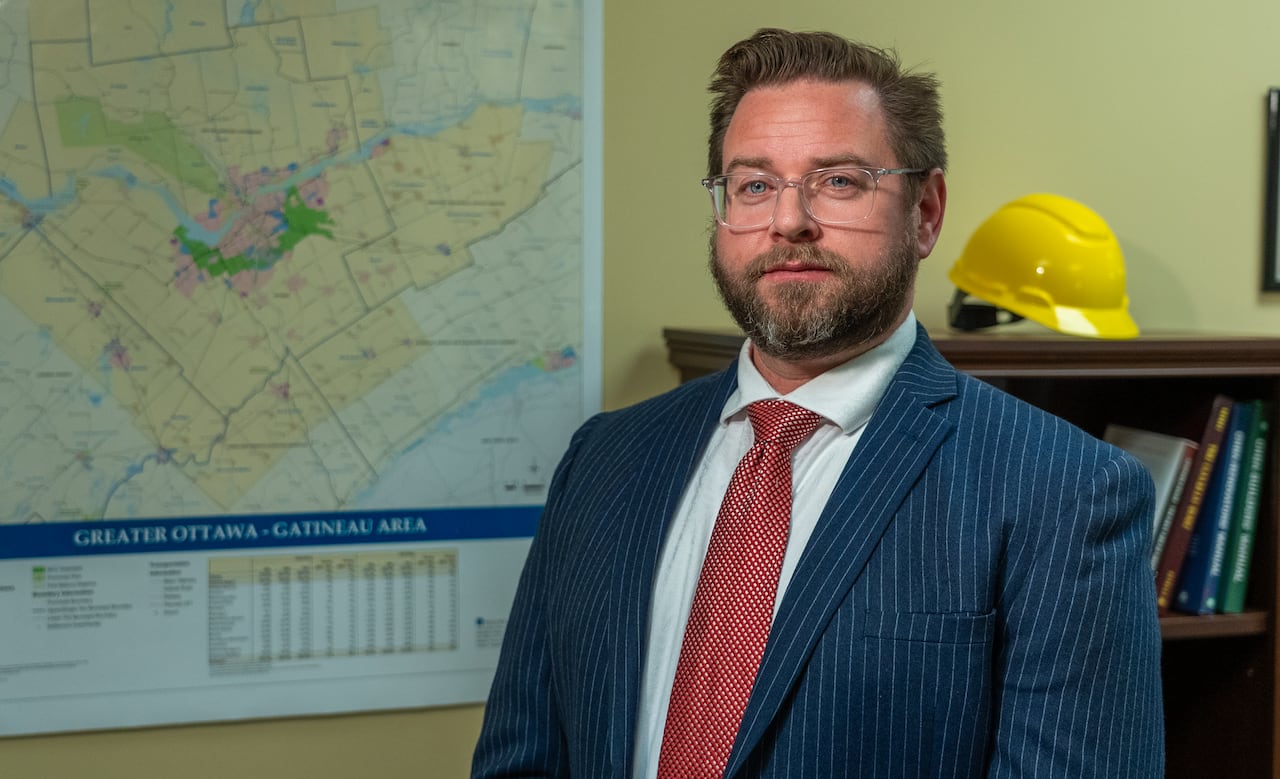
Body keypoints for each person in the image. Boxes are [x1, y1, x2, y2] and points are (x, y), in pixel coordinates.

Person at [472, 27, 1164, 778]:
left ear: (925, 211)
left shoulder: (1065, 491)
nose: (789, 220)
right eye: (754, 184)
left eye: (838, 180)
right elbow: (521, 759)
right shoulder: (602, 460)